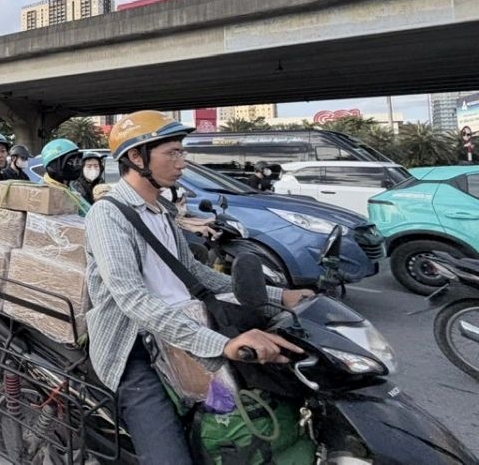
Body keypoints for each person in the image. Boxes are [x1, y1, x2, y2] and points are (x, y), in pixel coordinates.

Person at [84, 111, 312, 464]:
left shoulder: (160, 210)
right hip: (135, 347)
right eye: (172, 153)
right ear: (136, 157)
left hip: (186, 331)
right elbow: (132, 298)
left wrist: (278, 295)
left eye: (182, 152)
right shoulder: (108, 215)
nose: (182, 162)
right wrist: (221, 344)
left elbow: (196, 274)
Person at [37, 139, 92, 214]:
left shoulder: (68, 186)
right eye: (70, 162)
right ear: (54, 166)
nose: (77, 166)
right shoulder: (45, 193)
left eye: (78, 161)